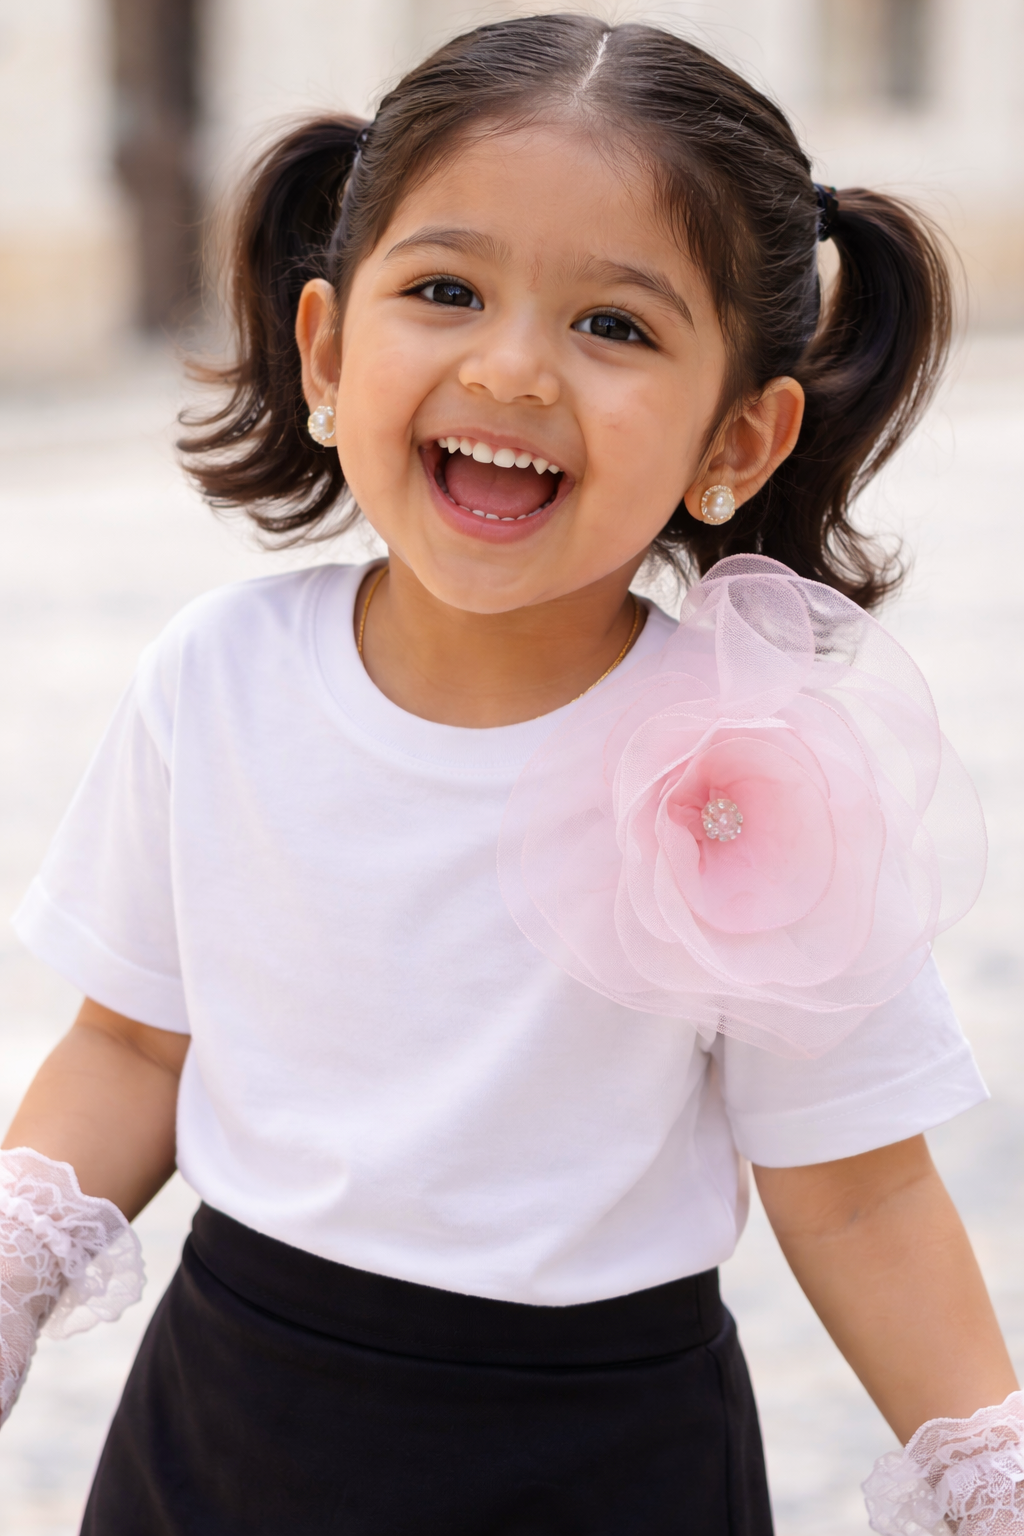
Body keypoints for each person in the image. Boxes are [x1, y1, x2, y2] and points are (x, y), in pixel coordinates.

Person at [1, 14, 1020, 1535]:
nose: (513, 367)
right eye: (446, 291)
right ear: (328, 346)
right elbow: (135, 1049)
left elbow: (859, 1190)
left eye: (615, 325)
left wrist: (991, 1476)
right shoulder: (217, 680)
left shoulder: (757, 770)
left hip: (609, 1463)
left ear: (738, 438)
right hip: (230, 1433)